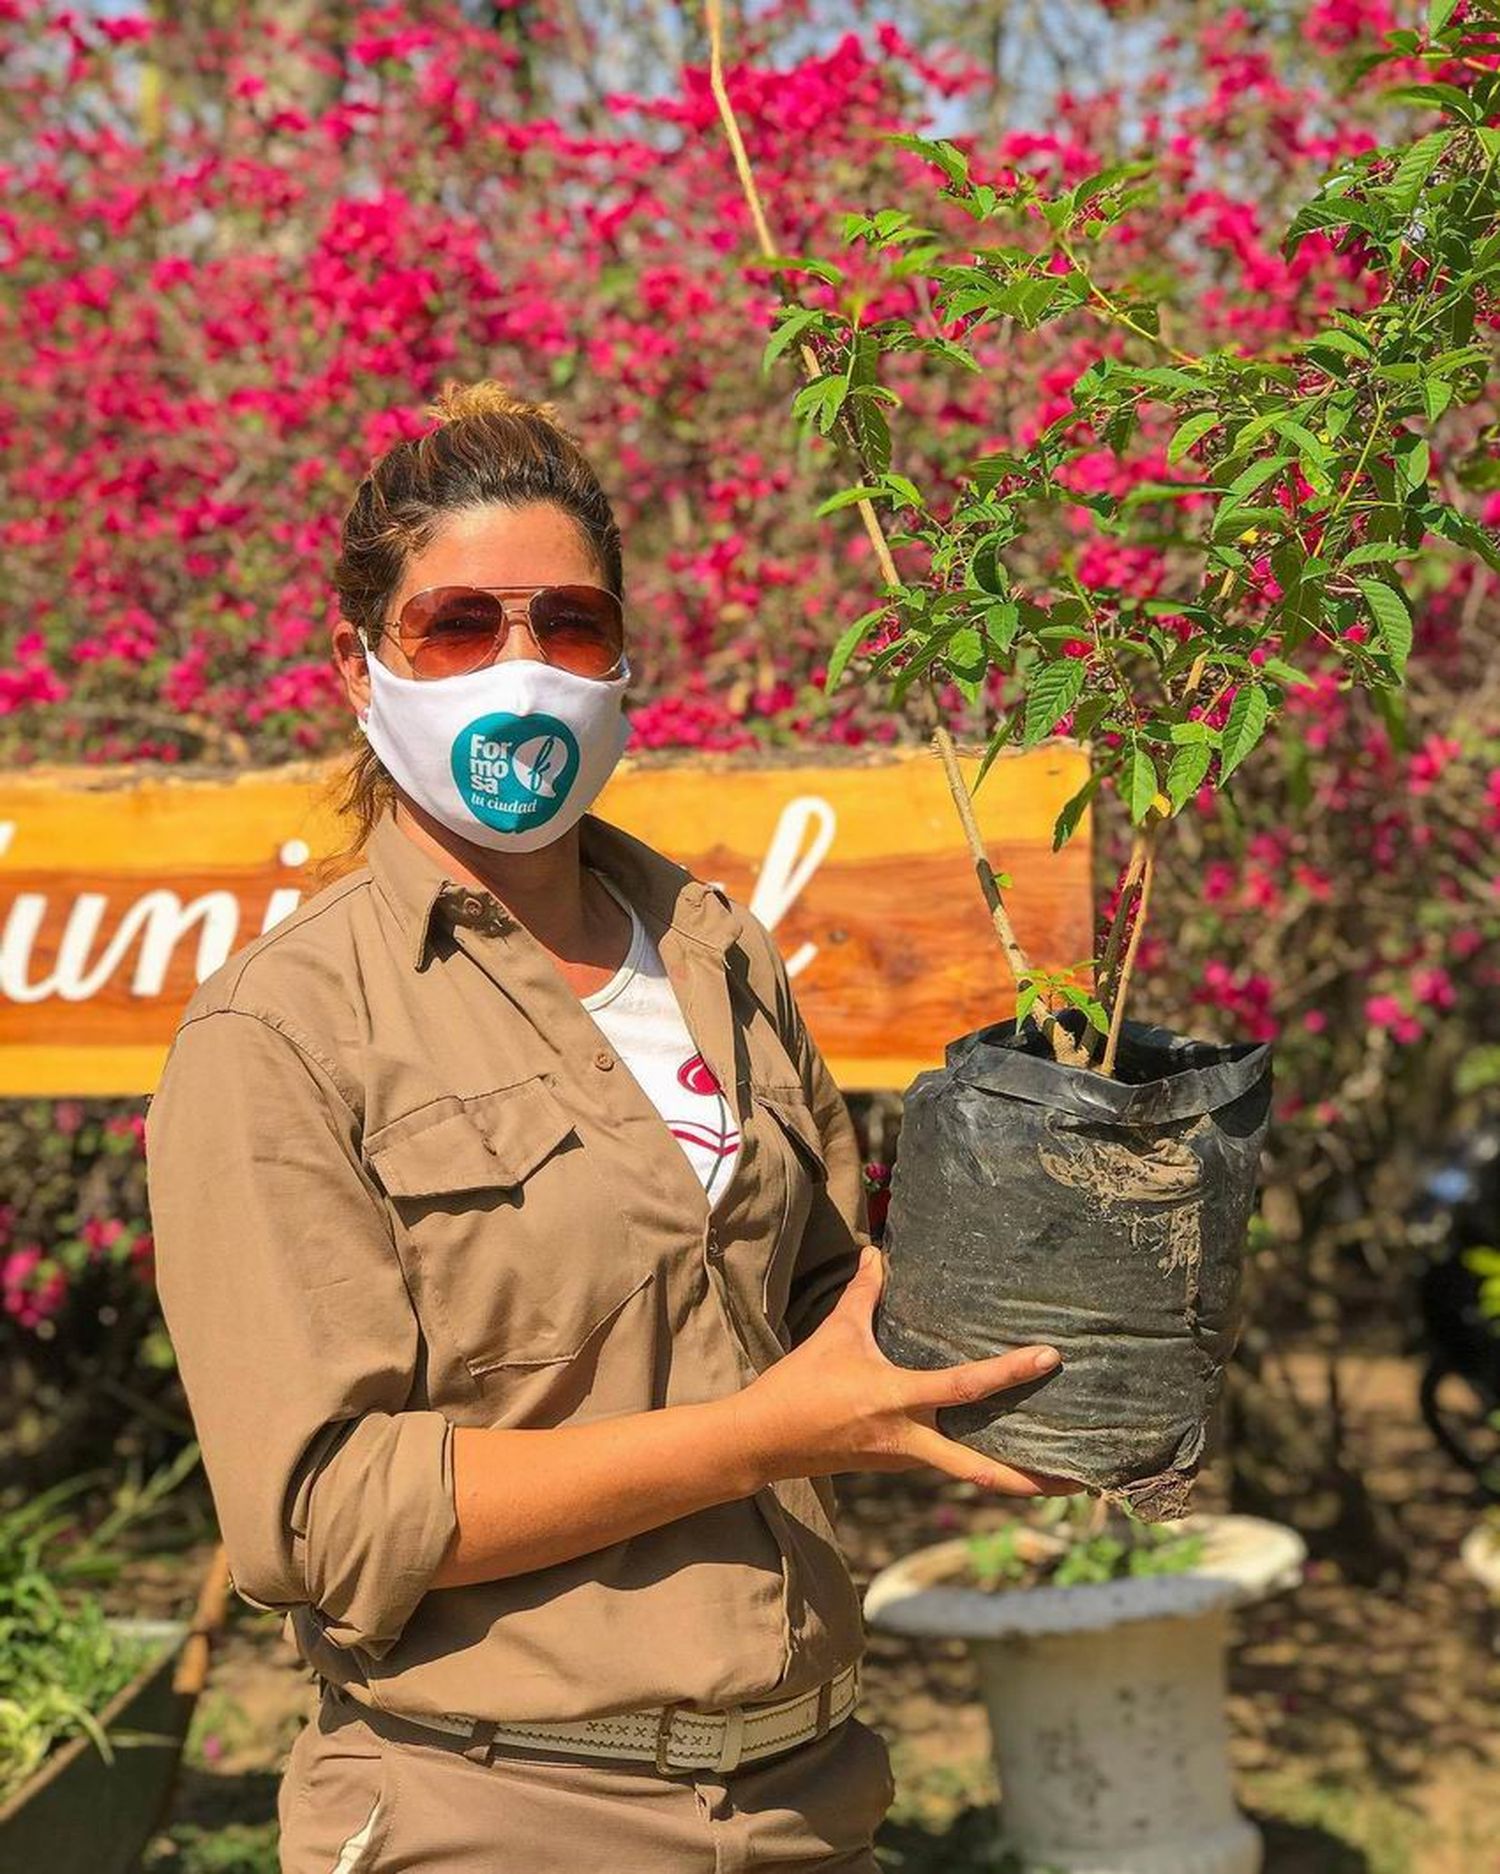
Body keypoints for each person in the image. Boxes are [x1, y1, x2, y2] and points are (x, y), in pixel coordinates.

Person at [143, 380, 1073, 1874]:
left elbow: (826, 1306)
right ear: (357, 663)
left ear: (622, 655)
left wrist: (1056, 1312)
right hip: (496, 1809)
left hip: (809, 1795)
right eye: (459, 625)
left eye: (568, 625)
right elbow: (321, 1515)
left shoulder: (712, 945)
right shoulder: (283, 1029)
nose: (522, 668)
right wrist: (766, 1435)